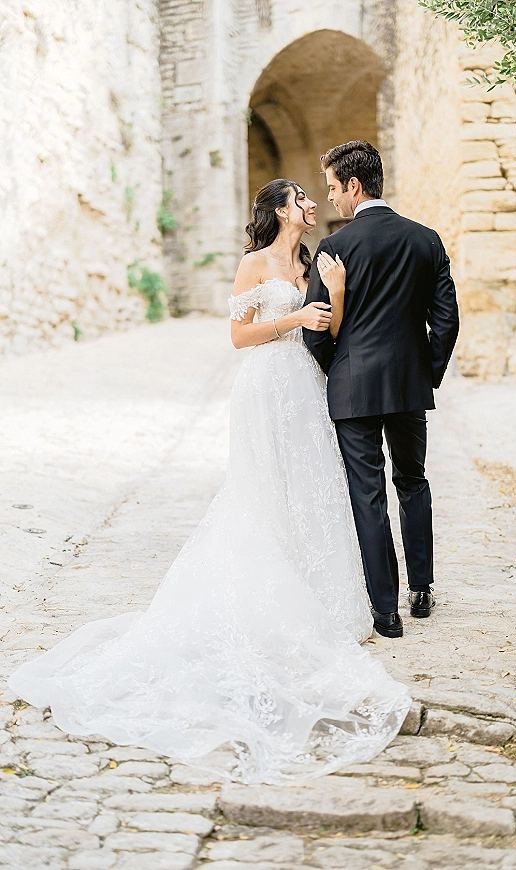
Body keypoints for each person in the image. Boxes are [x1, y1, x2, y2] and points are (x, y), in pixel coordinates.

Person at [8, 178, 411, 785]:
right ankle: (260, 592)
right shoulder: (255, 263)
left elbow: (328, 330)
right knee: (263, 491)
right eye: (302, 197)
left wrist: (335, 296)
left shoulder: (313, 260)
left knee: (311, 489)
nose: (311, 204)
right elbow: (239, 335)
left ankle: (317, 597)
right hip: (264, 382)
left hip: (306, 384)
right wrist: (295, 315)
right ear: (281, 209)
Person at [304, 140, 460, 640]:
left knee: (366, 495)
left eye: (332, 188)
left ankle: (384, 612)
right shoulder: (426, 240)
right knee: (413, 481)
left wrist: (340, 368)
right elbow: (447, 321)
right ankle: (422, 590)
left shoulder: (334, 248)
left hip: (353, 389)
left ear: (354, 185)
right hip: (409, 385)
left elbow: (314, 329)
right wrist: (425, 372)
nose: (330, 199)